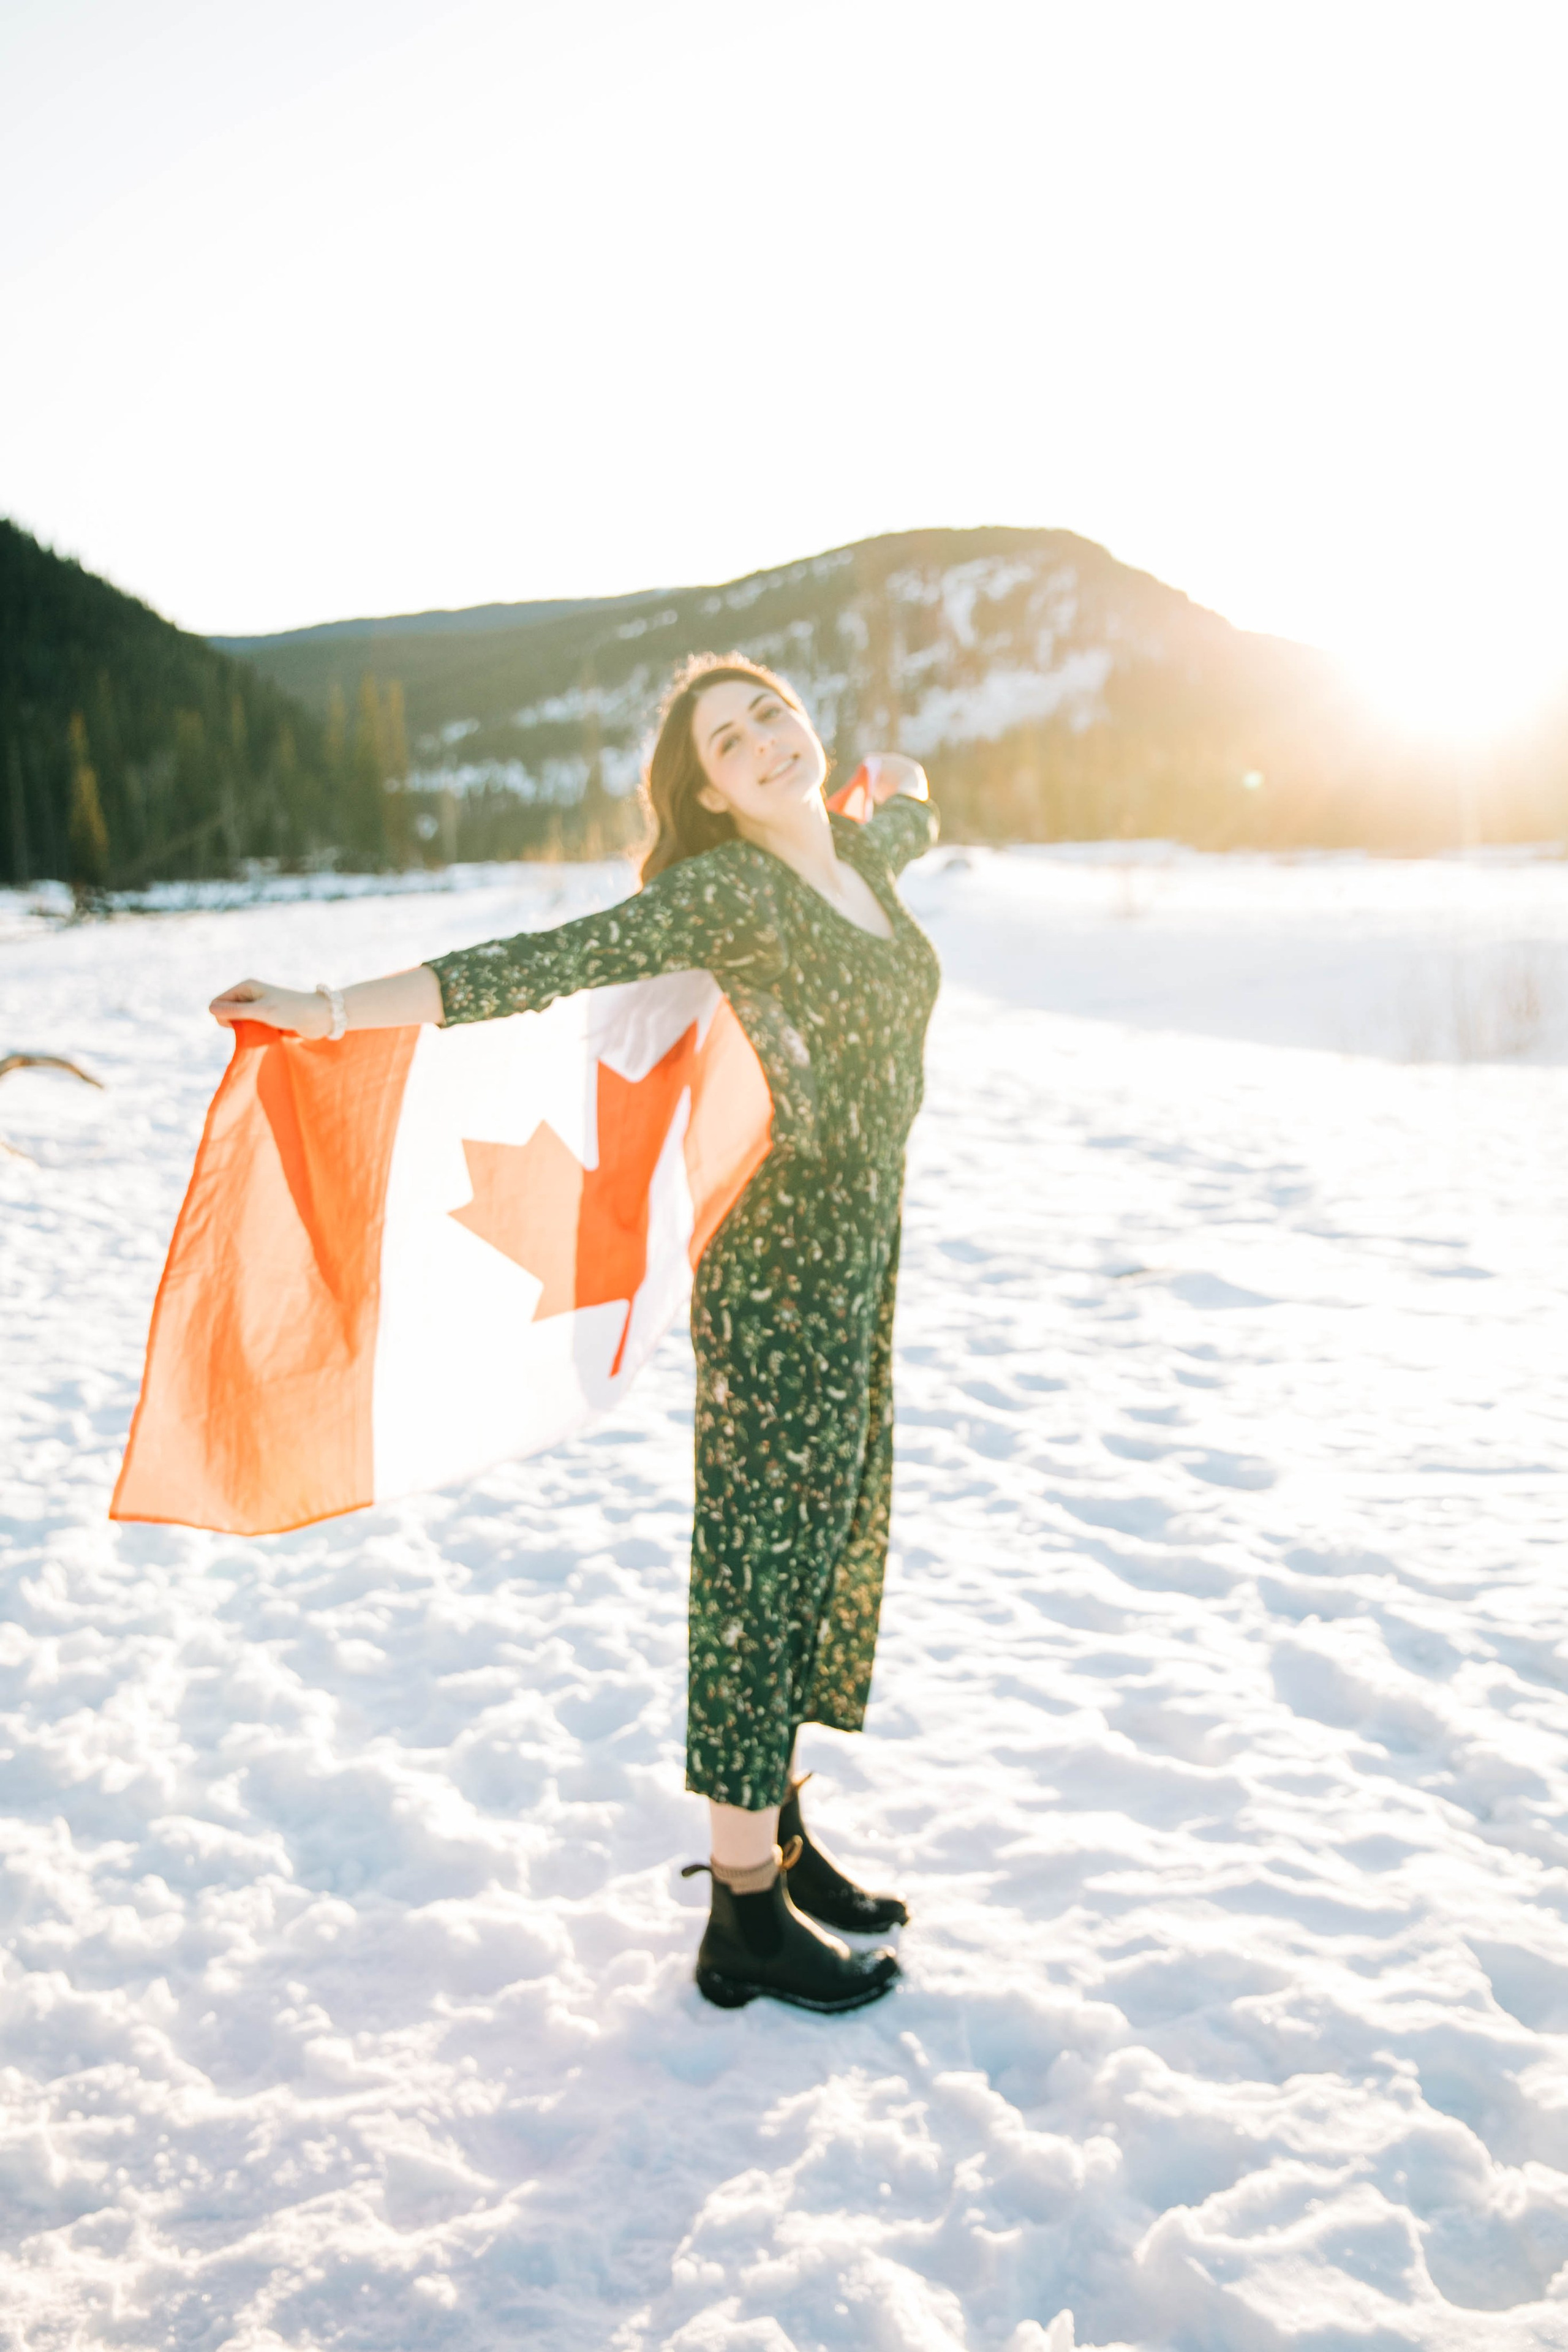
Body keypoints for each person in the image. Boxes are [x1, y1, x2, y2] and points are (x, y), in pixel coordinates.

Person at [211, 654, 941, 2015]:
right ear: (710, 797)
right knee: (756, 1571)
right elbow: (544, 966)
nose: (763, 741)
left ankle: (778, 1840)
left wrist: (894, 781)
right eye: (729, 742)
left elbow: (910, 807)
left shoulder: (862, 857)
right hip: (776, 1279)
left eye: (771, 714)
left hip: (862, 1271)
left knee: (827, 1540)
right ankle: (742, 1916)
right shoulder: (730, 894)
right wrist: (323, 1015)